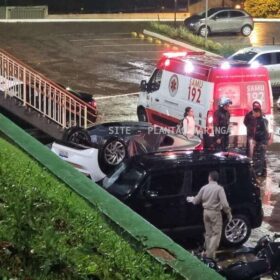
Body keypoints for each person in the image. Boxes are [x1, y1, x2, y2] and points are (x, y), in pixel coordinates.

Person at [187, 171, 232, 259]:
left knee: (208, 234)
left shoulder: (204, 188)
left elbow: (196, 201)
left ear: (209, 177)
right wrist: (229, 213)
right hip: (215, 213)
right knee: (216, 234)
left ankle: (208, 252)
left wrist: (190, 199)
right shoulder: (219, 189)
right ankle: (210, 256)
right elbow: (225, 204)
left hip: (205, 212)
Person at [252, 108, 269, 177]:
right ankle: (262, 173)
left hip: (261, 142)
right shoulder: (257, 120)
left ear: (258, 112)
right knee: (259, 157)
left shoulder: (263, 120)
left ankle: (258, 173)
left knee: (260, 158)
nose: (253, 114)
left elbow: (265, 132)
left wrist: (264, 143)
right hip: (258, 141)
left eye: (254, 113)